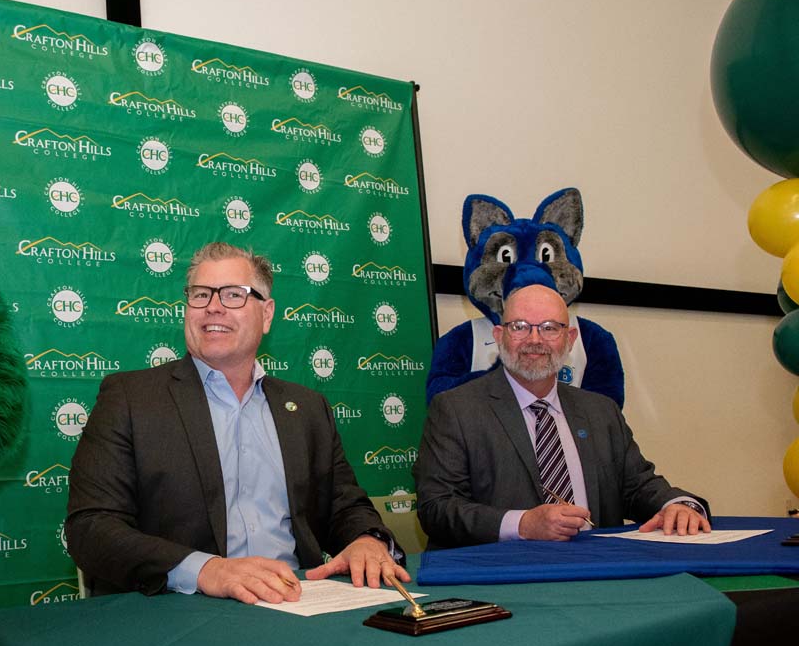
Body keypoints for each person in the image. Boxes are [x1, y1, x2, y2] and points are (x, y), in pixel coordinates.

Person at [65, 242, 408, 603]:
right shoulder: (130, 399)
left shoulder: (308, 408)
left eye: (233, 294)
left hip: (298, 602)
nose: (213, 306)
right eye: (200, 294)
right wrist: (205, 570)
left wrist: (366, 540)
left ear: (267, 314)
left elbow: (345, 507)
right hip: (185, 610)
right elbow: (91, 528)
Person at [414, 284, 709, 549]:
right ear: (499, 336)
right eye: (519, 327)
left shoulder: (601, 410)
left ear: (569, 339)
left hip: (598, 570)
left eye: (549, 328)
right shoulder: (455, 409)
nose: (534, 339)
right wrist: (523, 524)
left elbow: (638, 486)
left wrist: (678, 505)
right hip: (502, 575)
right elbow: (437, 508)